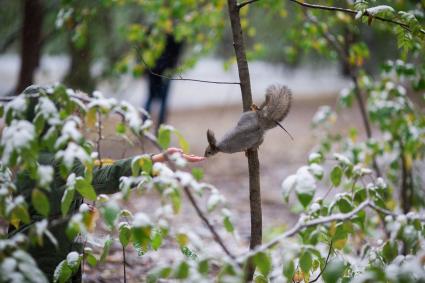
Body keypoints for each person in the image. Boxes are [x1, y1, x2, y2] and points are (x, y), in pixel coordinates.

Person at [7, 89, 204, 282]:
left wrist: (75, 213)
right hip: (47, 256)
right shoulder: (59, 161)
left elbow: (45, 203)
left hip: (35, 249)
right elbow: (106, 177)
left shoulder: (33, 154)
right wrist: (155, 161)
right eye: (76, 120)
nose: (81, 127)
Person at [144, 34, 184, 130]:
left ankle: (145, 127)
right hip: (165, 70)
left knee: (151, 98)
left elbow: (145, 49)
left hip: (154, 70)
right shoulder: (175, 34)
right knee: (161, 100)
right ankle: (159, 129)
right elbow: (177, 52)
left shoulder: (155, 29)